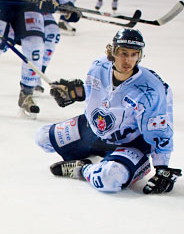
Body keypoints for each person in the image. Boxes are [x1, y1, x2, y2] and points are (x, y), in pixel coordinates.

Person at [35, 28, 181, 194]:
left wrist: (162, 167)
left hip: (129, 144)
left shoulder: (150, 90)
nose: (128, 60)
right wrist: (74, 92)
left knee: (110, 179)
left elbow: (159, 131)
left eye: (134, 54)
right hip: (93, 130)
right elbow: (96, 91)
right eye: (123, 53)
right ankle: (98, 153)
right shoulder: (98, 66)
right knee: (42, 137)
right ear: (112, 51)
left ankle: (82, 169)